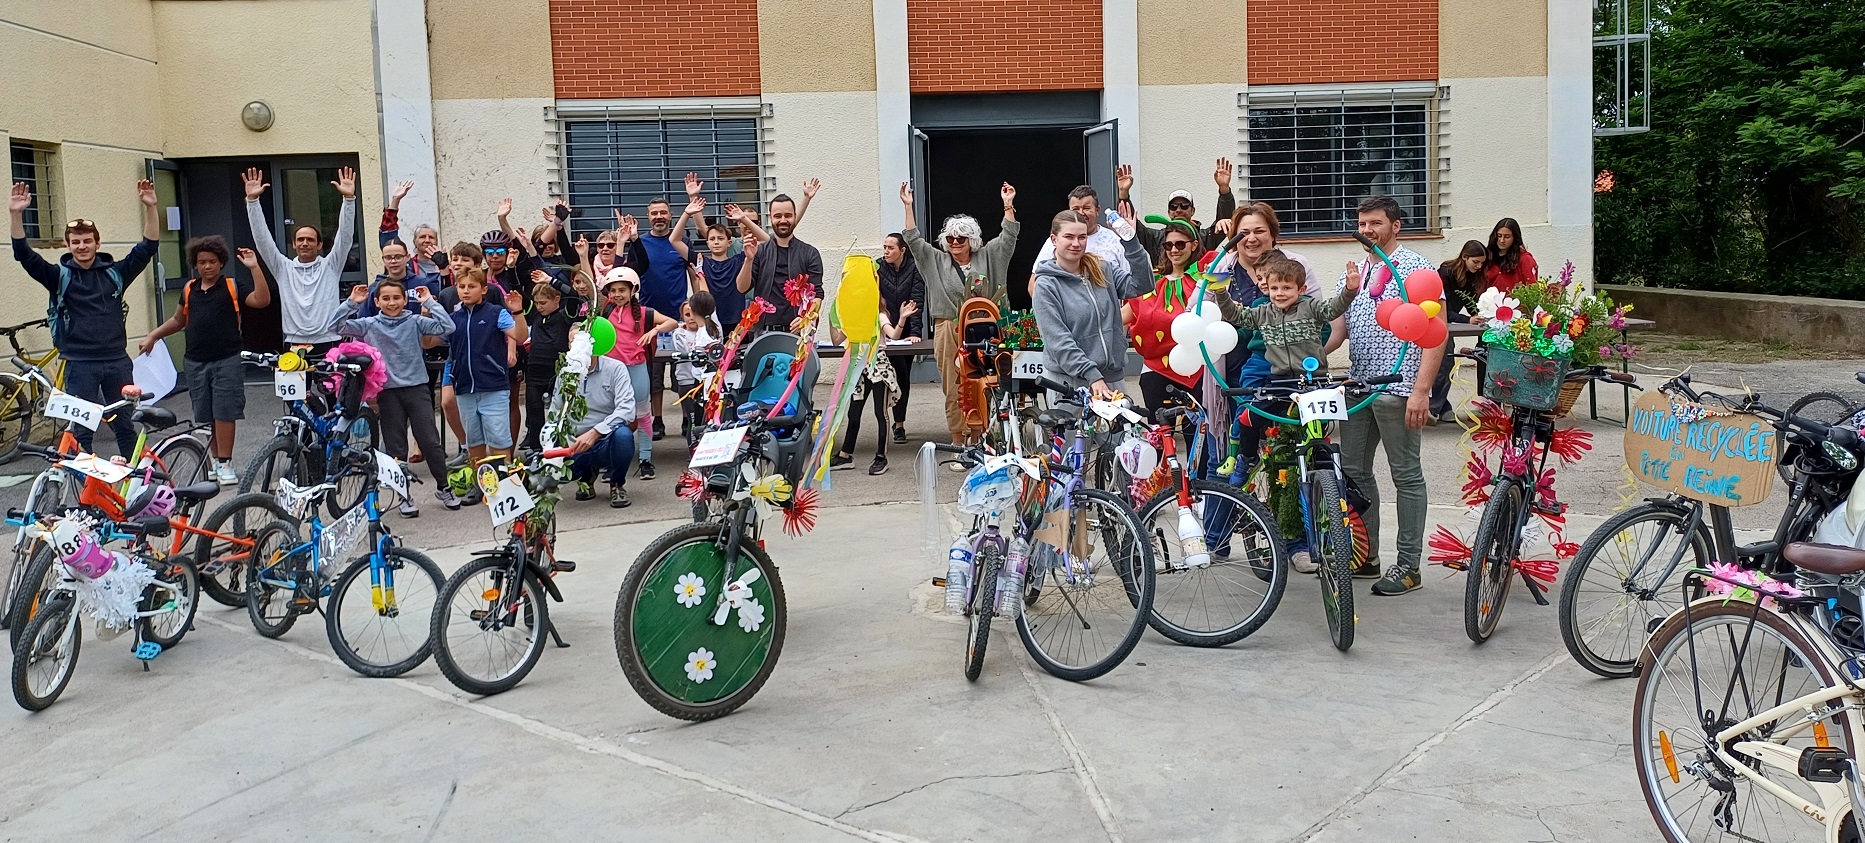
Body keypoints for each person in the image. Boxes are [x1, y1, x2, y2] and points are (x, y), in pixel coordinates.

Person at [1323, 196, 1447, 597]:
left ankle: (1409, 566)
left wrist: (1421, 391)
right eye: (1362, 223)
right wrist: (1300, 358)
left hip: (1399, 389)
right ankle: (1366, 555)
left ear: (1396, 225)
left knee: (1406, 476)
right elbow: (1338, 334)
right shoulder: (1356, 273)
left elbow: (1436, 335)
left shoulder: (1417, 268)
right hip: (1359, 388)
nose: (1367, 231)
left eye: (1375, 223)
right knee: (1356, 474)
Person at [9, 179, 159, 456]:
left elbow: (148, 248)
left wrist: (151, 207)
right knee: (82, 432)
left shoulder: (116, 273)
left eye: (87, 241)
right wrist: (16, 214)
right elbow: (24, 255)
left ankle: (131, 490)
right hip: (80, 365)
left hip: (117, 362)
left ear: (97, 243)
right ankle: (85, 496)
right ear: (68, 245)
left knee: (124, 426)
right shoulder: (58, 277)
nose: (81, 246)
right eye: (75, 242)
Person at [138, 237, 273, 483]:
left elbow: (261, 300)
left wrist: (254, 267)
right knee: (206, 413)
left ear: (221, 263)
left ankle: (226, 463)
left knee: (224, 411)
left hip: (226, 359)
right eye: (201, 262)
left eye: (212, 261)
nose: (207, 266)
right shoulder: (190, 289)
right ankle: (215, 463)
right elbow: (179, 320)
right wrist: (154, 336)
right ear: (195, 264)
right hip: (195, 361)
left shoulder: (232, 286)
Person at [900, 182, 1018, 445]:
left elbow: (1008, 238)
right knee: (953, 386)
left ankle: (979, 437)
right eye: (950, 238)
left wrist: (1007, 204)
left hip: (986, 328)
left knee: (983, 382)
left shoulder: (988, 256)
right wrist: (908, 207)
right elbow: (914, 241)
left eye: (960, 238)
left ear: (971, 240)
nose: (954, 243)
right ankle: (957, 438)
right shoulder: (936, 261)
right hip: (948, 328)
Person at [327, 279, 458, 514]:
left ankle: (444, 486)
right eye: (385, 298)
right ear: (376, 302)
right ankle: (403, 494)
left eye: (397, 298)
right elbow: (335, 327)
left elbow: (448, 327)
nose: (392, 302)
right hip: (387, 392)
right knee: (396, 446)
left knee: (430, 440)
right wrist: (350, 303)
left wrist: (429, 302)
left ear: (405, 300)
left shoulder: (416, 321)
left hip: (417, 388)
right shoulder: (368, 324)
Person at [1031, 211, 1152, 399]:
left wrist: (1131, 241)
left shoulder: (1101, 268)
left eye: (1082, 237)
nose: (1076, 243)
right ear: (1054, 239)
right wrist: (1092, 375)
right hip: (1069, 384)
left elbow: (1142, 285)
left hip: (1111, 379)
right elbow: (1058, 341)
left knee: (1119, 430)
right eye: (1069, 237)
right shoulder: (1046, 285)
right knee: (1075, 430)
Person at [243, 166, 356, 355]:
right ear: (294, 244)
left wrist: (348, 200)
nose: (305, 243)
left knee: (332, 387)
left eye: (310, 239)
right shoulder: (282, 268)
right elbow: (263, 241)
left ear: (320, 245)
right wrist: (252, 201)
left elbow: (345, 237)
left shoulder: (331, 266)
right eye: (300, 240)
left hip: (329, 341)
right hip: (294, 345)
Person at [831, 267, 920, 475]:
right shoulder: (851, 317)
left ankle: (881, 457)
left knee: (880, 413)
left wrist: (903, 318)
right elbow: (837, 340)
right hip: (858, 368)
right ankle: (845, 455)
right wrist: (834, 313)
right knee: (854, 412)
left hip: (877, 366)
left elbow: (894, 335)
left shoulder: (878, 315)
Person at [446, 269, 528, 493]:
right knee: (474, 440)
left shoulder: (496, 313)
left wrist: (518, 311)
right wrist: (426, 311)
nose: (465, 291)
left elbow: (521, 336)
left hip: (493, 387)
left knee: (499, 439)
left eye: (471, 286)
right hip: (464, 388)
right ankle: (480, 483)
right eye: (462, 287)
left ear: (483, 289)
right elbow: (429, 342)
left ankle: (505, 482)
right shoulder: (453, 318)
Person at [600, 267, 677, 481]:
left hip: (636, 367)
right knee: (611, 416)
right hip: (613, 371)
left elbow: (672, 321)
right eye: (613, 290)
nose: (617, 294)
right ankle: (611, 462)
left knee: (643, 414)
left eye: (622, 290)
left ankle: (645, 459)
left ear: (633, 290)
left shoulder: (644, 312)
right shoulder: (606, 312)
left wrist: (654, 331)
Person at [1123, 220, 1204, 415]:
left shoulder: (1203, 281)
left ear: (1193, 245)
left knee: (1196, 435)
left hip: (1197, 369)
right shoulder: (1153, 282)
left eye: (1180, 244)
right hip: (1155, 369)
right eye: (1168, 245)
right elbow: (1122, 316)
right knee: (1159, 434)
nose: (1174, 250)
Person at [732, 193, 824, 333]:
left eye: (787, 215)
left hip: (798, 333)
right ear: (770, 218)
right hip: (764, 331)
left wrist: (807, 318)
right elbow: (741, 287)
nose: (783, 220)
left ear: (794, 216)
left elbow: (817, 294)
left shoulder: (810, 253)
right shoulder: (760, 251)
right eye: (777, 216)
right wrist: (748, 260)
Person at [1118, 159, 1239, 260]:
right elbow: (1130, 224)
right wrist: (1124, 195)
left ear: (1193, 211)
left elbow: (1224, 223)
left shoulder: (1204, 237)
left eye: (1184, 205)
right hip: (1164, 287)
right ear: (1168, 212)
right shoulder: (1156, 238)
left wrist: (1224, 190)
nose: (1179, 209)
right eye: (1173, 206)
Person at [521, 272, 587, 453]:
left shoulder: (565, 313)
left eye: (543, 303)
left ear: (557, 299)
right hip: (534, 371)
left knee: (559, 411)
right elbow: (519, 295)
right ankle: (535, 449)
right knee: (534, 412)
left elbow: (574, 295)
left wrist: (551, 281)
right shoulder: (534, 314)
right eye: (537, 303)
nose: (539, 306)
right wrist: (512, 267)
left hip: (556, 370)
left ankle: (560, 445)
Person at [567, 351, 639, 509]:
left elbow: (627, 410)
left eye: (578, 343)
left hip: (606, 438)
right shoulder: (565, 372)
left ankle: (617, 484)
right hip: (575, 441)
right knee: (555, 470)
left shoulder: (615, 368)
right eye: (571, 343)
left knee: (624, 436)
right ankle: (585, 477)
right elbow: (555, 414)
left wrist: (595, 432)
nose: (575, 348)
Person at [1428, 240, 1489, 422]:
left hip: (1448, 323)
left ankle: (1440, 407)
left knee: (1447, 363)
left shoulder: (1471, 276)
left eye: (1481, 263)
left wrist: (1479, 315)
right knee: (1442, 363)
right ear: (1464, 257)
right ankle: (1434, 407)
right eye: (1475, 262)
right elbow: (1442, 307)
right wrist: (1467, 319)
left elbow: (1470, 302)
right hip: (1435, 320)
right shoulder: (1445, 273)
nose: (1479, 266)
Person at [876, 232, 926, 445]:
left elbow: (917, 300)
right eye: (885, 247)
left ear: (902, 250)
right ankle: (895, 423)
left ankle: (899, 423)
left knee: (904, 376)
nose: (886, 251)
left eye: (891, 248)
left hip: (906, 332)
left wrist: (915, 332)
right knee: (897, 376)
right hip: (886, 329)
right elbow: (874, 298)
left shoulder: (915, 268)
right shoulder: (878, 266)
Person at [1033, 185, 1125, 271]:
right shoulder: (1056, 240)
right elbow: (1034, 283)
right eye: (1076, 209)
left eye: (1086, 208)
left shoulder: (1115, 240)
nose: (1081, 213)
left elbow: (1130, 282)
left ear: (1097, 210)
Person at [670, 292, 719, 446]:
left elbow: (712, 351)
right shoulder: (713, 327)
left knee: (696, 422)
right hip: (707, 382)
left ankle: (695, 452)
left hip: (702, 383)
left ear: (694, 311)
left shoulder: (704, 333)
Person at [357, 240, 440, 317]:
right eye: (388, 257)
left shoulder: (423, 285)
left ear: (407, 257)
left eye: (398, 256)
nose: (393, 261)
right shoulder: (374, 289)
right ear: (383, 260)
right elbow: (364, 320)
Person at [379, 180, 444, 276]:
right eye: (422, 237)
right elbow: (388, 234)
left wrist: (444, 266)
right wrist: (395, 201)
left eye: (431, 237)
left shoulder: (446, 266)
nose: (427, 240)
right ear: (415, 242)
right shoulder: (407, 264)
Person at [1483, 218, 1538, 292]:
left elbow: (1533, 288)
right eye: (1499, 236)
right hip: (1491, 302)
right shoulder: (1488, 256)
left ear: (1514, 238)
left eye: (1507, 237)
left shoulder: (1525, 259)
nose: (1502, 240)